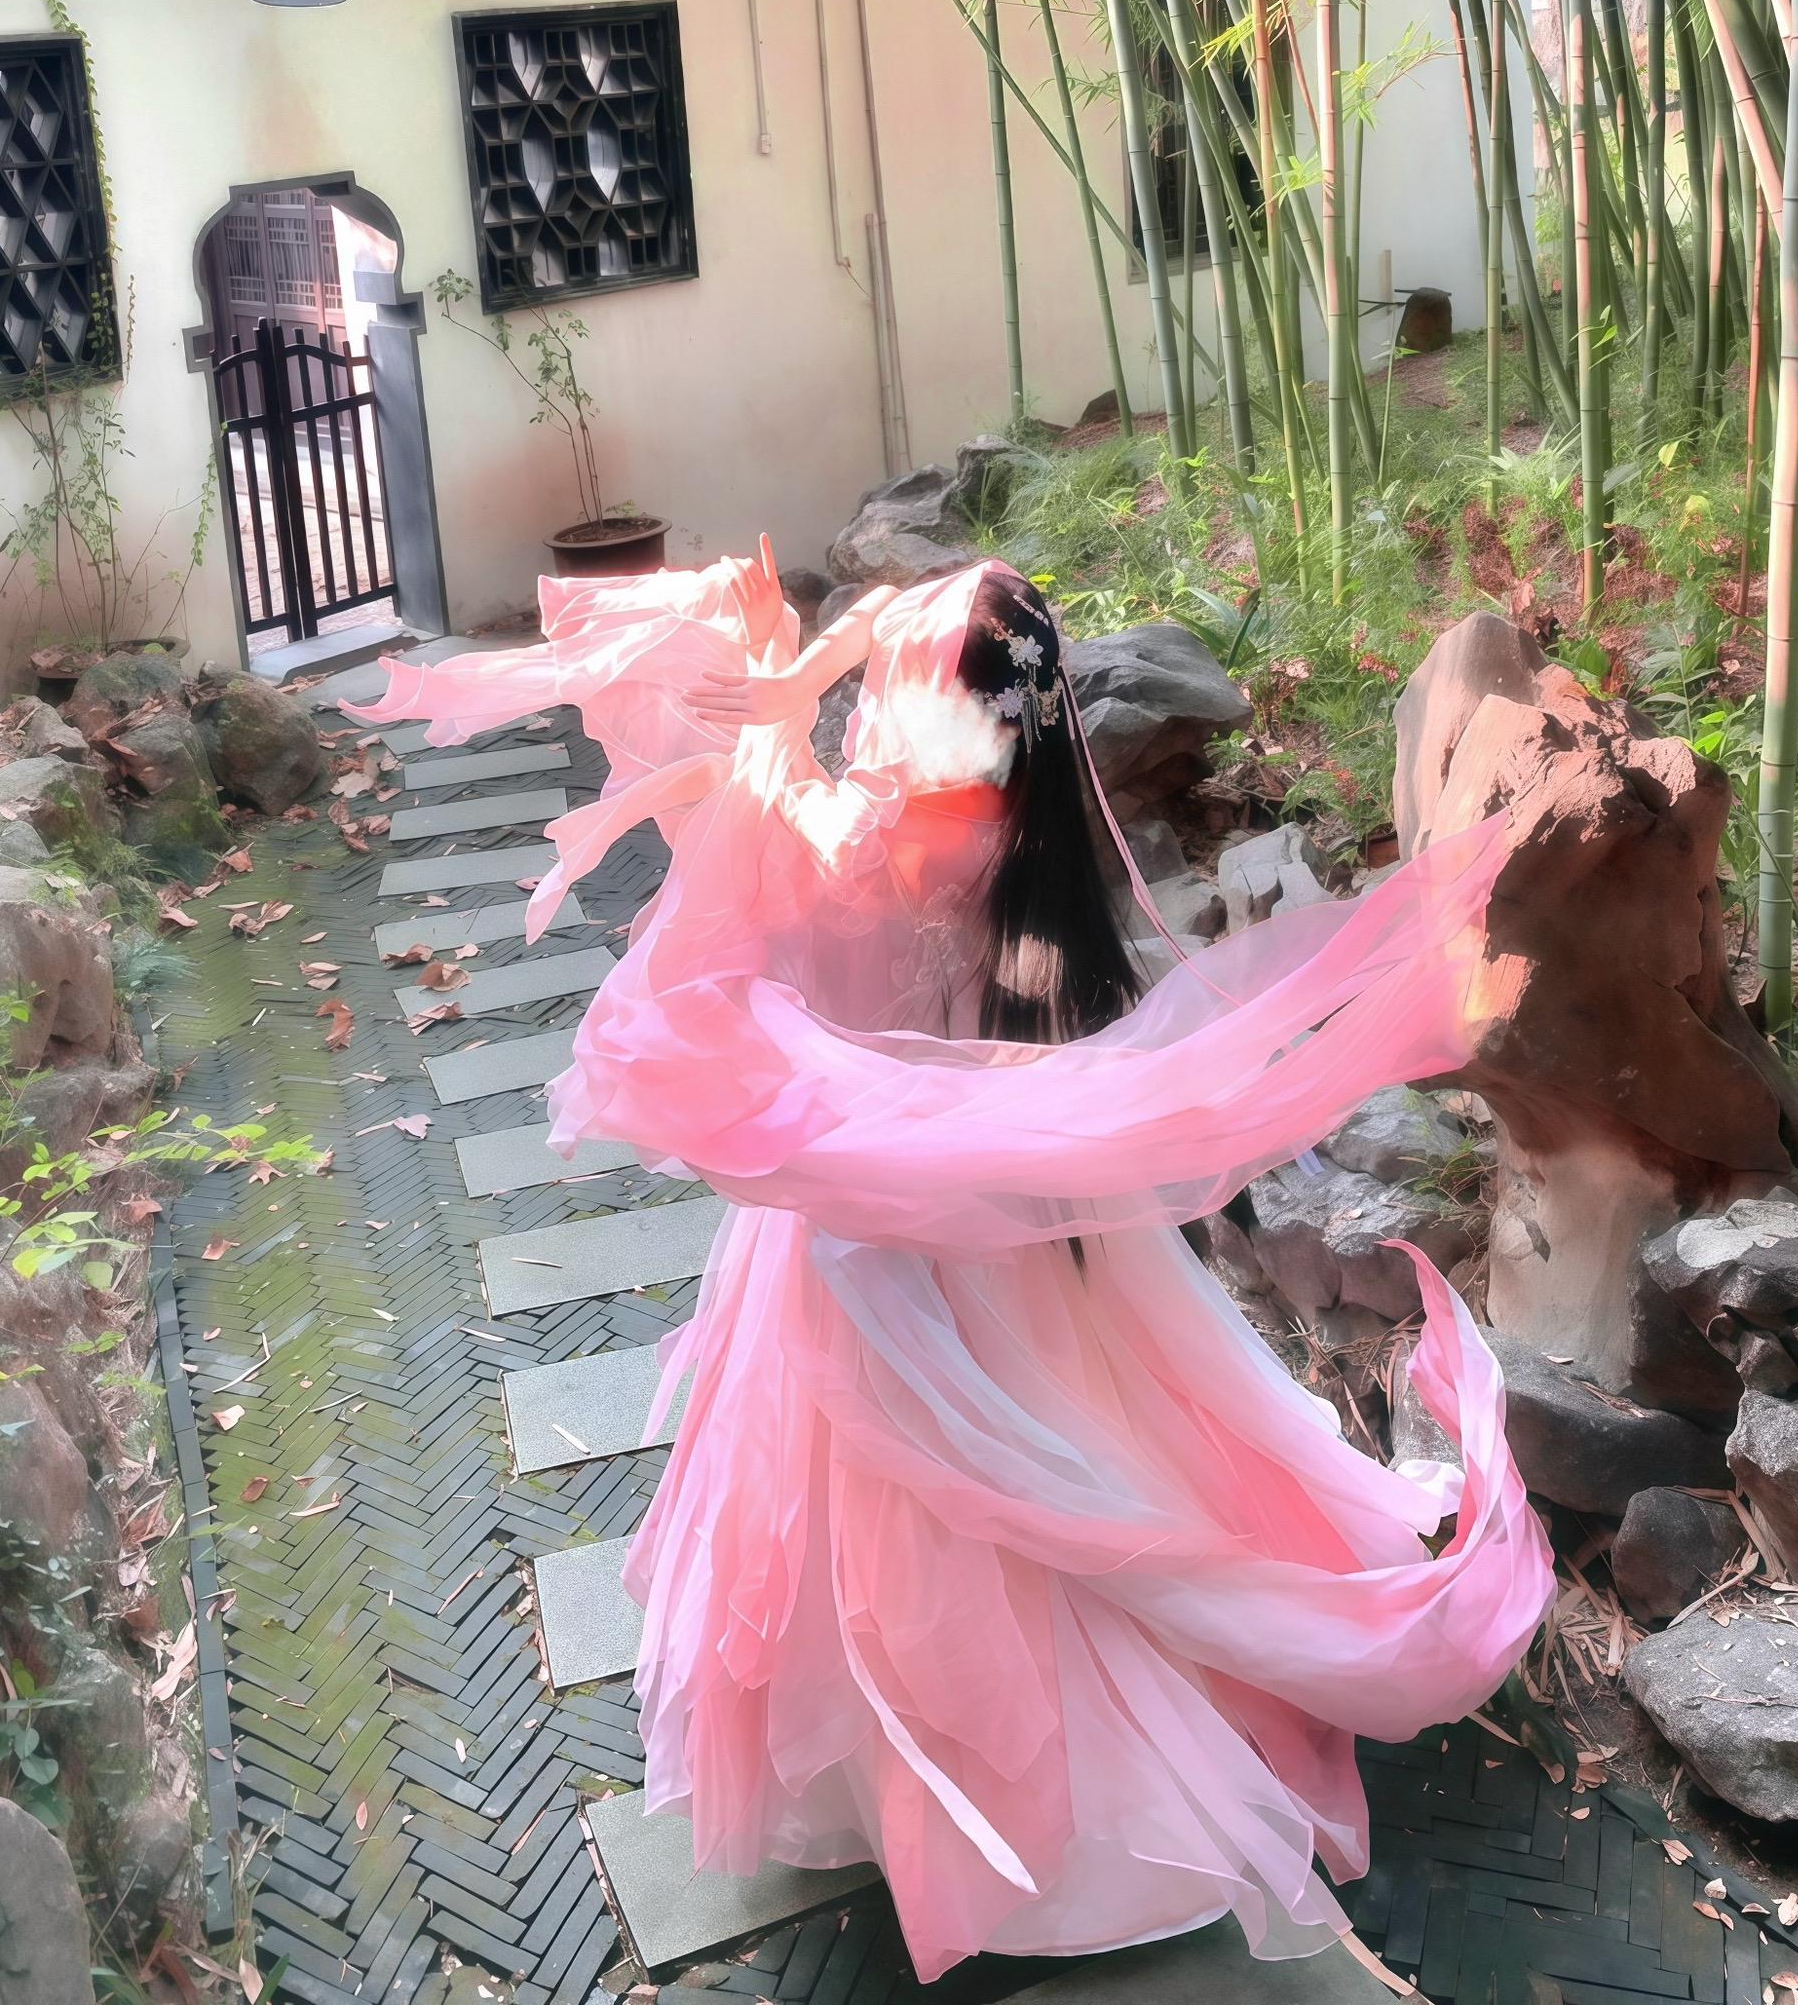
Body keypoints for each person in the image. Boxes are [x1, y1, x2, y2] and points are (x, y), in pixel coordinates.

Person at [351, 549, 1552, 1981]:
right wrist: (814, 671)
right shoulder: (1023, 831)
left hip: (870, 1247)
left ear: (940, 711)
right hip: (1013, 1223)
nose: (868, 701)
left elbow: (727, 937)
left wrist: (771, 712)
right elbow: (914, 629)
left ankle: (980, 1815)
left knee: (915, 1518)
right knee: (1081, 1453)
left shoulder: (856, 845)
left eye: (890, 686)